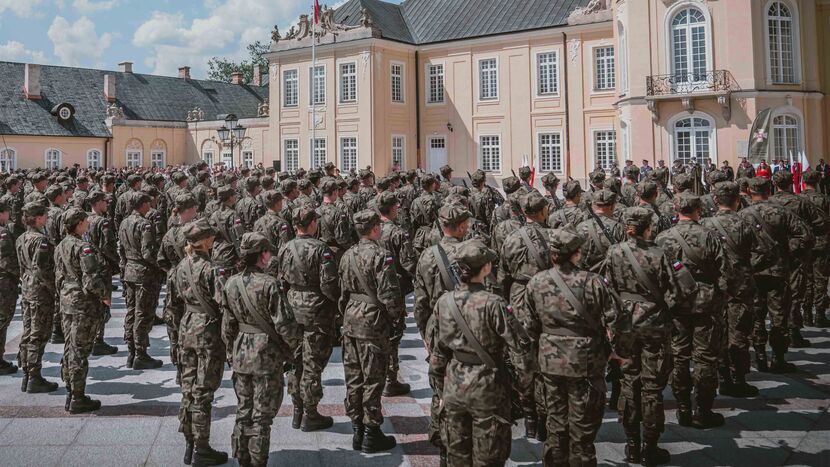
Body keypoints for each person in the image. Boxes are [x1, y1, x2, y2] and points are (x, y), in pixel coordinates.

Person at [431, 239, 532, 466]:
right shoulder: (494, 303)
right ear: (486, 268)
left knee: (457, 454)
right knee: (489, 456)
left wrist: (440, 390)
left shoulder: (444, 302)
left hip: (454, 386)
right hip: (488, 386)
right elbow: (520, 349)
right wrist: (523, 388)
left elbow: (438, 352)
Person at [526, 229, 616, 466]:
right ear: (576, 254)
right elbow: (617, 321)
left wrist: (536, 355)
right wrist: (619, 351)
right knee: (584, 426)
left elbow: (528, 326)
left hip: (550, 361)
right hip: (585, 361)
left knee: (556, 422)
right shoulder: (593, 281)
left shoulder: (536, 282)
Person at [602, 207, 683, 465]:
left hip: (624, 326)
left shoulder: (614, 252)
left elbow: (607, 289)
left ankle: (632, 444)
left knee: (629, 382)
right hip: (654, 326)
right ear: (648, 227)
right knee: (652, 387)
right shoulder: (659, 254)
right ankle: (650, 445)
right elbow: (675, 293)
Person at [221, 232, 303, 467]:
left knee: (244, 409)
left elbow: (227, 326)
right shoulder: (269, 284)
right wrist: (296, 348)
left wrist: (231, 352)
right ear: (263, 255)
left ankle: (243, 459)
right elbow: (284, 324)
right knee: (262, 416)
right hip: (265, 355)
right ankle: (258, 461)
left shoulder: (231, 282)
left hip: (241, 352)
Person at [655, 193, 728, 429]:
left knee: (679, 357)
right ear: (699, 210)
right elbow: (725, 272)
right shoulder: (710, 236)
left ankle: (683, 408)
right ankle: (703, 410)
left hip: (675, 302)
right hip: (706, 303)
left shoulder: (663, 238)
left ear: (676, 210)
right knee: (705, 358)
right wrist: (721, 295)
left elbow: (657, 274)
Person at [339, 210, 405, 453]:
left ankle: (357, 428)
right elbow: (390, 295)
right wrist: (396, 318)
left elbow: (342, 291)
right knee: (373, 378)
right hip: (373, 321)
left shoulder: (347, 255)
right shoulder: (381, 256)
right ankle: (371, 432)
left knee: (354, 377)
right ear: (375, 228)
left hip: (351, 318)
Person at [167, 219, 228, 466]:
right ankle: (201, 448)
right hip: (207, 333)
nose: (214, 239)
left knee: (188, 389)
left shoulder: (179, 268)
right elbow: (224, 305)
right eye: (210, 236)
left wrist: (174, 341)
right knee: (203, 392)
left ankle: (189, 443)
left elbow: (170, 308)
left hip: (186, 329)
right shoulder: (211, 269)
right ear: (204, 241)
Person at [413, 203, 470, 458]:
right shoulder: (472, 252)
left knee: (440, 385)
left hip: (438, 325)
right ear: (460, 226)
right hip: (467, 325)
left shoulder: (427, 255)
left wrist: (426, 333)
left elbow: (420, 302)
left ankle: (441, 438)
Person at [738, 177, 811, 373]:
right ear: (769, 191)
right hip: (778, 272)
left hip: (753, 272)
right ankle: (778, 358)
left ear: (750, 192)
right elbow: (805, 236)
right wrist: (788, 253)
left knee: (757, 315)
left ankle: (760, 355)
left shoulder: (742, 215)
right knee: (778, 316)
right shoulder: (781, 212)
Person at [277, 206, 340, 432]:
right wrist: (336, 305)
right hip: (317, 310)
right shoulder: (321, 249)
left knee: (296, 362)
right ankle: (310, 414)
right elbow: (329, 284)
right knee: (313, 363)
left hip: (293, 308)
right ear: (312, 223)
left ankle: (297, 408)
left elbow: (280, 281)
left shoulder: (285, 248)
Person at [498, 191, 551, 439]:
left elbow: (502, 276)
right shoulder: (554, 237)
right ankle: (545, 415)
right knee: (548, 356)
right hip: (549, 296)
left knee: (522, 357)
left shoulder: (511, 239)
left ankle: (529, 415)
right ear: (541, 212)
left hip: (520, 296)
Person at [701, 182, 759, 397]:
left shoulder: (705, 224)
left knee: (716, 333)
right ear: (737, 200)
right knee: (739, 333)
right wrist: (748, 268)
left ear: (715, 200)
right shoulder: (746, 223)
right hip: (741, 286)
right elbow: (763, 251)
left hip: (714, 287)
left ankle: (721, 376)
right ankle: (738, 379)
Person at [55, 208, 111, 413]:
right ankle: (77, 397)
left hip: (67, 301)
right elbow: (91, 279)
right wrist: (104, 296)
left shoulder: (60, 245)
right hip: (82, 304)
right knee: (80, 351)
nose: (88, 222)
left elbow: (58, 276)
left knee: (70, 347)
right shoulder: (83, 248)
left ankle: (71, 392)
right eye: (85, 220)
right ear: (78, 223)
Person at [770, 171, 822, 348]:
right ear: (792, 182)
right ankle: (792, 331)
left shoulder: (768, 203)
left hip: (772, 255)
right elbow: (821, 222)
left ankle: (778, 331)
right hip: (796, 254)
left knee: (775, 293)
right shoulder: (801, 202)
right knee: (794, 292)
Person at [376, 191, 417, 396]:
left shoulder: (372, 230)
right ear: (392, 208)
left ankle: (378, 374)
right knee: (393, 334)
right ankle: (390, 379)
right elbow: (408, 262)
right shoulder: (398, 233)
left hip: (374, 288)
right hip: (395, 288)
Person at [17, 202, 60, 393]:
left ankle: (27, 373)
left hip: (27, 288)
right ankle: (34, 376)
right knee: (38, 333)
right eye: (45, 216)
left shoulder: (21, 238)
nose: (47, 218)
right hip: (40, 291)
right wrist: (54, 290)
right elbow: (44, 271)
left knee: (28, 331)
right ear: (38, 218)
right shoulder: (41, 241)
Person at [118, 193, 163, 370]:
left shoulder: (124, 222)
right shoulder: (144, 224)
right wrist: (159, 266)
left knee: (131, 311)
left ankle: (131, 351)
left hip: (129, 270)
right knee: (143, 313)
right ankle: (140, 353)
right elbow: (148, 253)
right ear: (143, 205)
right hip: (144, 273)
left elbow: (121, 249)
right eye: (148, 203)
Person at [85, 190, 119, 356]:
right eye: (104, 202)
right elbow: (108, 246)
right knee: (103, 304)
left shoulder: (84, 219)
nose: (107, 204)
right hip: (101, 266)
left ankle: (91, 338)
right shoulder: (102, 222)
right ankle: (98, 340)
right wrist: (116, 263)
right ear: (98, 203)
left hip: (87, 265)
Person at [800, 171, 830, 327]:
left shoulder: (798, 199)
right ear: (818, 181)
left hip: (804, 245)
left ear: (803, 182)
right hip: (821, 244)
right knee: (820, 279)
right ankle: (819, 313)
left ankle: (806, 314)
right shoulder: (824, 199)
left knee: (806, 279)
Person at [0, 200, 19, 375]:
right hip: (3, 284)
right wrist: (19, 274)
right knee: (2, 322)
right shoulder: (3, 233)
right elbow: (7, 262)